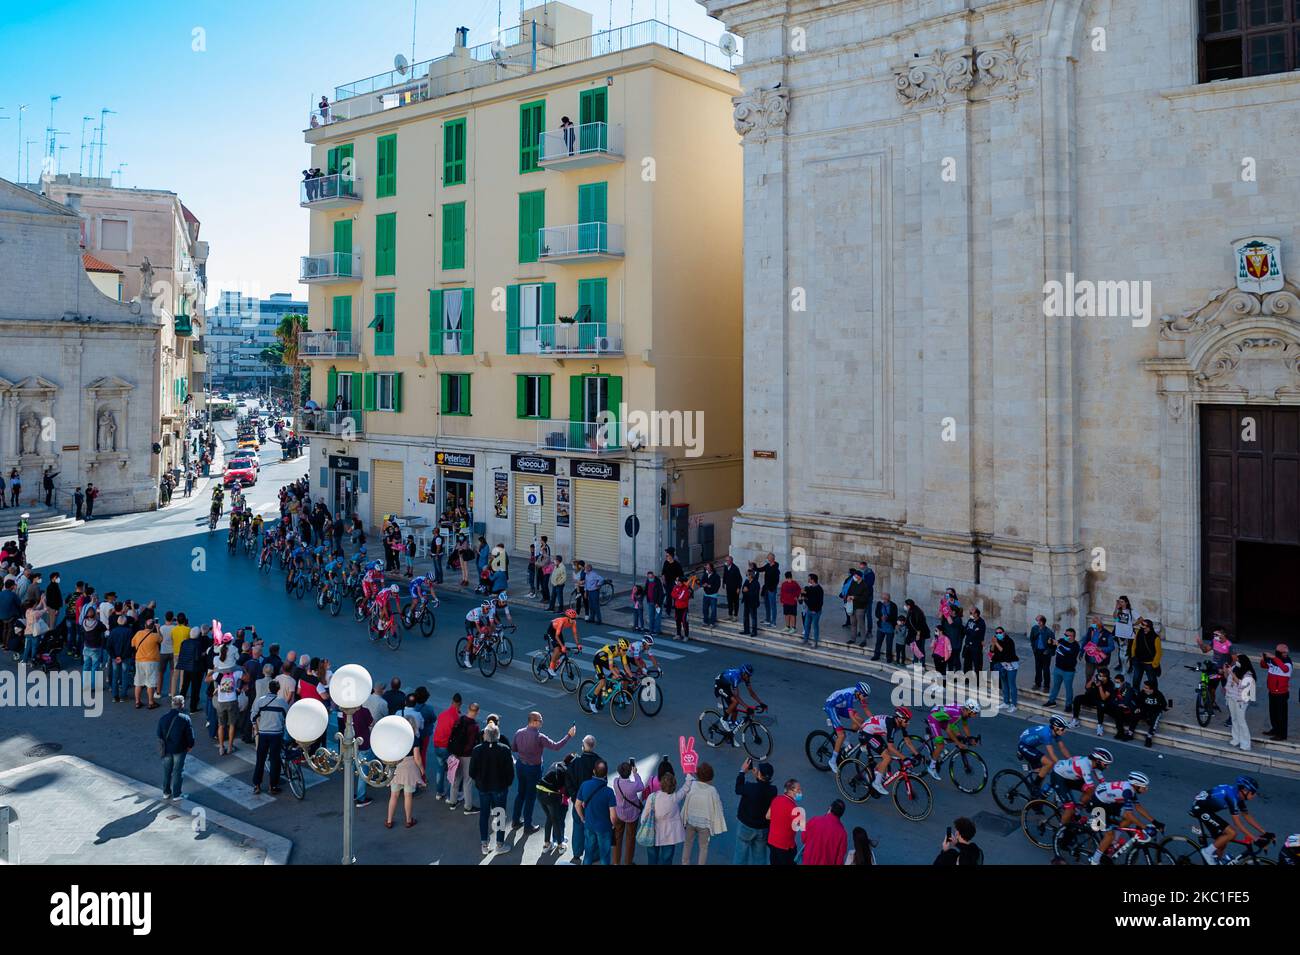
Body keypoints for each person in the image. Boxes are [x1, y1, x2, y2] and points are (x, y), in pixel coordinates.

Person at [510, 711, 576, 833]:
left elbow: (513, 749)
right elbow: (556, 746)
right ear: (534, 721)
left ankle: (515, 820)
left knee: (521, 793)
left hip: (520, 766)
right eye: (540, 720)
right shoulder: (539, 737)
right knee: (530, 796)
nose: (542, 722)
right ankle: (528, 825)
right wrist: (569, 735)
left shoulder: (519, 733)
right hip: (533, 769)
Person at [1191, 776, 1269, 865]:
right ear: (1244, 791)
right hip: (1200, 809)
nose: (1255, 795)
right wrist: (1255, 838)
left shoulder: (1239, 796)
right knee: (1232, 833)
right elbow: (1237, 823)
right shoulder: (1231, 797)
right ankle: (1207, 852)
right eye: (1253, 792)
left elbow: (1246, 816)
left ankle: (1216, 862)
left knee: (1222, 843)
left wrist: (1264, 832)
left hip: (1207, 810)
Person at [468, 722, 515, 855]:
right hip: (500, 788)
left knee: (484, 815)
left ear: (485, 735)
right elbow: (510, 772)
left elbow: (472, 772)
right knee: (500, 814)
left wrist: (479, 780)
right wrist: (507, 783)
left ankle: (484, 844)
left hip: (483, 788)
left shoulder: (477, 750)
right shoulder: (504, 749)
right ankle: (499, 843)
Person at [565, 734, 602, 864]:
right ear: (594, 746)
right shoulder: (599, 762)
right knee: (592, 830)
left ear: (583, 746)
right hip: (594, 804)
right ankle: (593, 855)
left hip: (578, 803)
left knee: (578, 826)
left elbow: (568, 781)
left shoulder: (575, 762)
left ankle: (576, 854)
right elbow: (603, 782)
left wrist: (575, 797)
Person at [680, 762, 726, 864]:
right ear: (710, 777)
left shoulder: (693, 785)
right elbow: (718, 807)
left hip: (690, 821)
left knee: (687, 844)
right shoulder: (712, 790)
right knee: (703, 848)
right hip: (704, 825)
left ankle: (684, 863)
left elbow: (686, 800)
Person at [823, 682, 873, 772]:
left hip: (841, 706)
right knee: (841, 735)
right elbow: (851, 716)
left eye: (866, 696)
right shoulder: (849, 695)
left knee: (860, 719)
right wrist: (861, 728)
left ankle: (846, 739)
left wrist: (875, 721)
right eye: (864, 695)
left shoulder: (859, 694)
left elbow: (866, 709)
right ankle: (832, 760)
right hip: (831, 706)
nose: (865, 698)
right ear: (859, 692)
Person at [574, 759, 618, 864]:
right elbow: (613, 816)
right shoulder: (609, 792)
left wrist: (582, 817)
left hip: (589, 825)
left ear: (594, 771)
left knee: (588, 852)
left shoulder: (585, 785)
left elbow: (577, 805)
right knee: (605, 855)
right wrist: (614, 825)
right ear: (606, 773)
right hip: (604, 828)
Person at [385, 715, 424, 830]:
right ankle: (408, 820)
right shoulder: (414, 739)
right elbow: (417, 757)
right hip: (409, 770)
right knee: (408, 796)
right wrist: (422, 770)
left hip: (396, 767)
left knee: (394, 795)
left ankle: (389, 821)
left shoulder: (395, 737)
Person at [250, 680, 287, 795]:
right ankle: (273, 785)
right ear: (278, 689)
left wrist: (256, 728)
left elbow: (252, 716)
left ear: (269, 689)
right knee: (275, 760)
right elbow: (287, 716)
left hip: (263, 734)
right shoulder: (282, 702)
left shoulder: (261, 701)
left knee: (260, 759)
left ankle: (257, 785)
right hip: (276, 734)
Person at [157, 695, 195, 801]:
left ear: (172, 705)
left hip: (167, 749)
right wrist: (190, 746)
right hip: (180, 749)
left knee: (167, 771)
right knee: (178, 771)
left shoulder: (163, 718)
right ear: (182, 705)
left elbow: (159, 734)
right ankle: (177, 794)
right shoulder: (185, 718)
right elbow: (190, 736)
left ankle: (166, 792)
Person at [714, 663, 766, 730]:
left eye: (750, 676)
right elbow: (737, 696)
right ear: (743, 673)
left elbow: (751, 693)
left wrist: (761, 703)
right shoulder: (736, 677)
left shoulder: (745, 677)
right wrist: (747, 708)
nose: (749, 678)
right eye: (748, 675)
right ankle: (724, 719)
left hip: (726, 685)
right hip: (719, 686)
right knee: (735, 702)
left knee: (735, 710)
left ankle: (729, 734)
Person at [801, 799, 849, 865]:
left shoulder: (815, 820)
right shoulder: (842, 834)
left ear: (830, 808)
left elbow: (804, 838)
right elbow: (840, 858)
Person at [766, 777, 801, 865]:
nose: (800, 792)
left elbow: (768, 816)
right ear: (791, 791)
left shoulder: (776, 799)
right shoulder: (795, 809)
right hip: (785, 846)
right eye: (799, 790)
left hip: (772, 841)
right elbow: (803, 827)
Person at [1225, 655, 1257, 751]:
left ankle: (1246, 743)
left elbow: (1241, 684)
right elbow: (1228, 678)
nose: (1236, 662)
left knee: (1241, 721)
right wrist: (1226, 671)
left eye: (1238, 660)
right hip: (1231, 697)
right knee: (1234, 719)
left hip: (1241, 700)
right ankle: (1236, 739)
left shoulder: (1249, 674)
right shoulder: (1235, 668)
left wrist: (1231, 672)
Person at [1261, 644, 1291, 741]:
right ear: (1279, 653)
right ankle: (1275, 730)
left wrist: (1274, 657)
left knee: (1281, 715)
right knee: (1273, 713)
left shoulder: (1287, 662)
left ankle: (1282, 735)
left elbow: (1285, 669)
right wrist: (1264, 658)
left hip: (1281, 693)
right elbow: (1263, 665)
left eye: (1287, 652)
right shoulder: (1273, 660)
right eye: (1284, 652)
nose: (1286, 653)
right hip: (1272, 691)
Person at [1045, 627, 1081, 708]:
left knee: (1068, 688)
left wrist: (1058, 645)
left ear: (1072, 636)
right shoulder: (1061, 640)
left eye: (1068, 635)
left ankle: (1068, 705)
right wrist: (1049, 643)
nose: (1065, 636)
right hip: (1058, 668)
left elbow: (1068, 654)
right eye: (1065, 634)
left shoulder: (1076, 646)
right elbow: (1052, 648)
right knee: (1055, 686)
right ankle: (1051, 701)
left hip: (1068, 671)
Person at [990, 626, 1019, 711]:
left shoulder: (1009, 641)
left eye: (1000, 632)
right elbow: (991, 652)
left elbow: (1005, 652)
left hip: (1011, 665)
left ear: (1004, 633)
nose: (998, 634)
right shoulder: (996, 641)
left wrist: (997, 643)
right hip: (1002, 665)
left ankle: (1014, 705)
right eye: (996, 633)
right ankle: (1006, 702)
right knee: (1004, 684)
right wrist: (993, 643)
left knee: (1011, 684)